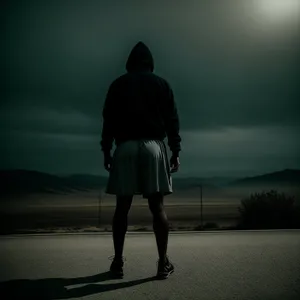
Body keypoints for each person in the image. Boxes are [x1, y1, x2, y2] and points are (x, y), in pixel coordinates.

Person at [100, 41, 181, 280]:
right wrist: (175, 152)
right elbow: (172, 121)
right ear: (150, 63)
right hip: (154, 147)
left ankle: (117, 263)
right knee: (157, 208)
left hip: (124, 147)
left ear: (129, 63)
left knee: (121, 208)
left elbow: (108, 122)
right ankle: (162, 262)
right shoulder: (162, 84)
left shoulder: (118, 85)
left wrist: (106, 151)